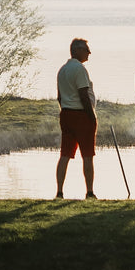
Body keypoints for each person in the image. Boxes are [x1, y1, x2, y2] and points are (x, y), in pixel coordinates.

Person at [55, 37, 97, 199]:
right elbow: (83, 94)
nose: (89, 52)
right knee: (87, 154)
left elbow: (59, 97)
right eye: (86, 49)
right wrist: (91, 116)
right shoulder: (79, 69)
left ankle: (59, 191)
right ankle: (90, 191)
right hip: (81, 115)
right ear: (77, 50)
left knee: (65, 154)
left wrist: (66, 108)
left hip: (66, 113)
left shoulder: (63, 69)